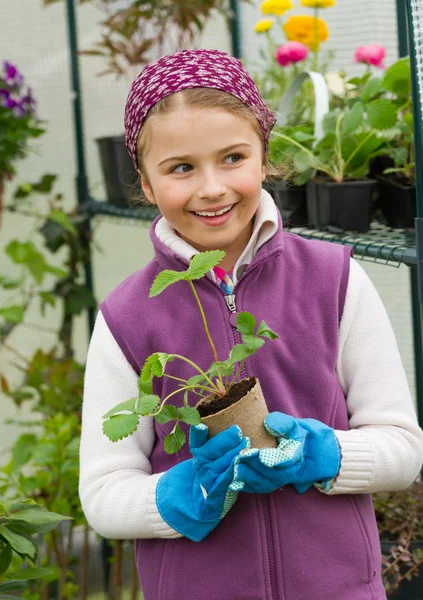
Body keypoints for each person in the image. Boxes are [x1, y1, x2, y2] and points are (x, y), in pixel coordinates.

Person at [79, 49, 423, 600]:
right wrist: (179, 494)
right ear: (145, 183)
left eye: (233, 157)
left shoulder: (335, 280)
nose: (212, 188)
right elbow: (102, 494)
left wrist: (327, 455)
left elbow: (402, 448)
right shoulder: (127, 316)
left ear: (265, 157)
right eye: (181, 168)